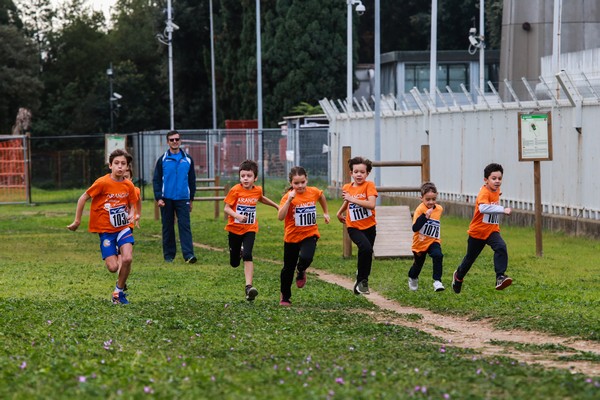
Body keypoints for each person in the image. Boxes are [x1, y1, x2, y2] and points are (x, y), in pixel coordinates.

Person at [67, 149, 138, 304]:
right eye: (117, 163)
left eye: (123, 164)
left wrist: (133, 214)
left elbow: (133, 203)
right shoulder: (102, 183)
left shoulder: (128, 185)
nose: (120, 167)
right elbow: (83, 198)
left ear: (127, 168)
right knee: (113, 267)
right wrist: (77, 221)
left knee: (127, 258)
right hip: (106, 230)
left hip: (123, 228)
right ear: (110, 166)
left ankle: (118, 293)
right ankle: (119, 279)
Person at [453, 163, 513, 294]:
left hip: (492, 230)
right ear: (486, 180)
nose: (497, 181)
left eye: (499, 178)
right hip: (478, 232)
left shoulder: (496, 190)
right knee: (470, 259)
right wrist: (503, 210)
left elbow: (495, 196)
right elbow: (483, 208)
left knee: (501, 247)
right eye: (494, 178)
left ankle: (500, 277)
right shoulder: (483, 193)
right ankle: (458, 276)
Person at [224, 160, 279, 301]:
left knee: (248, 254)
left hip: (250, 228)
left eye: (249, 176)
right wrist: (237, 215)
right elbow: (227, 208)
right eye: (243, 176)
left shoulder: (257, 190)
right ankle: (238, 252)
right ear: (239, 177)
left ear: (255, 178)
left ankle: (248, 287)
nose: (245, 179)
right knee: (234, 263)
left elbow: (261, 198)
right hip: (234, 229)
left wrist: (276, 206)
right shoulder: (235, 190)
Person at [278, 166, 330, 306]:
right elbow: (280, 217)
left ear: (306, 180)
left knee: (307, 258)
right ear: (291, 184)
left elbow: (321, 196)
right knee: (288, 268)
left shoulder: (313, 192)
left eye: (302, 182)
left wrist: (325, 212)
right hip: (292, 236)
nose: (300, 185)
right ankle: (285, 296)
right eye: (296, 183)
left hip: (309, 233)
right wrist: (289, 200)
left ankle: (301, 270)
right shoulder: (288, 197)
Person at [153, 130, 197, 263]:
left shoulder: (188, 159)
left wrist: (191, 199)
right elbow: (157, 180)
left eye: (177, 139)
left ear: (180, 140)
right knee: (167, 227)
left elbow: (192, 180)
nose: (174, 142)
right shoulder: (162, 160)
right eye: (171, 140)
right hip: (167, 198)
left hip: (183, 198)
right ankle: (169, 256)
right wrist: (159, 197)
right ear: (168, 142)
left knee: (185, 226)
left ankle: (188, 255)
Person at [336, 156, 378, 295]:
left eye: (362, 172)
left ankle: (360, 280)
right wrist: (339, 212)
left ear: (367, 174)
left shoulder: (369, 186)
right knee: (365, 248)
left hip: (370, 226)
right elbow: (348, 202)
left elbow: (371, 204)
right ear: (351, 173)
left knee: (366, 252)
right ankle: (363, 282)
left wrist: (352, 199)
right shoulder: (347, 187)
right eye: (356, 172)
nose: (359, 174)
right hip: (353, 226)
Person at [408, 182, 445, 292]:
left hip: (433, 240)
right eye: (427, 199)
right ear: (421, 198)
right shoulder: (420, 210)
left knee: (438, 255)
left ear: (437, 196)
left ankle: (437, 281)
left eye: (433, 199)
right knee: (418, 265)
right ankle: (412, 277)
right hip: (419, 243)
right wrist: (425, 216)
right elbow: (415, 228)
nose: (431, 202)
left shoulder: (439, 209)